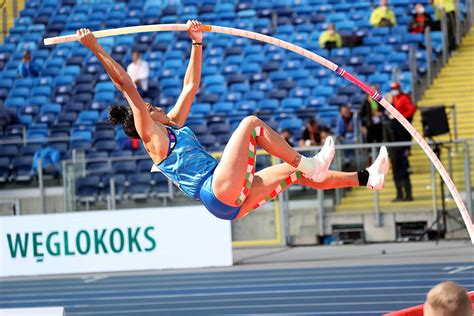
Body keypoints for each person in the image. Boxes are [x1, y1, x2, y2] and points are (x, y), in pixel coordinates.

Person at [75, 20, 390, 221]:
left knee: (292, 174)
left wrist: (196, 42)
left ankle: (366, 178)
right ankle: (307, 162)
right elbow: (126, 86)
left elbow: (190, 86)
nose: (155, 107)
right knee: (250, 124)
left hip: (225, 199)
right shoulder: (151, 137)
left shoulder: (172, 123)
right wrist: (96, 48)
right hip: (215, 188)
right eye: (150, 107)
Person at [384, 83, 417, 202]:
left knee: (403, 172)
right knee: (396, 173)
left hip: (400, 149)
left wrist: (402, 116)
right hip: (394, 150)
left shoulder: (403, 99)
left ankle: (408, 194)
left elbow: (412, 109)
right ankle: (399, 194)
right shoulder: (389, 122)